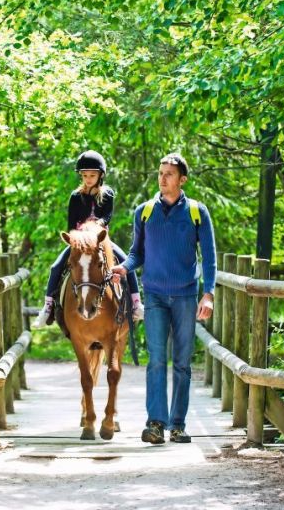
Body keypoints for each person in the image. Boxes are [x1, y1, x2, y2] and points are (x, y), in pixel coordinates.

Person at [112, 152, 216, 444]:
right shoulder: (144, 211)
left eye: (168, 174)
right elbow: (137, 253)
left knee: (182, 362)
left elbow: (209, 258)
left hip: (185, 297)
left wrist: (208, 294)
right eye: (160, 173)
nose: (162, 178)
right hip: (155, 295)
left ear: (182, 179)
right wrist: (124, 267)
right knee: (157, 360)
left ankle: (178, 425)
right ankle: (155, 423)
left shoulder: (197, 212)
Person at [34, 150, 144, 327]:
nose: (88, 178)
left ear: (100, 175)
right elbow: (71, 224)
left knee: (124, 261)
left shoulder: (107, 194)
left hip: (100, 240)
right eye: (85, 175)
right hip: (80, 241)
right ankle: (48, 306)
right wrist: (78, 238)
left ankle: (137, 304)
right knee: (56, 266)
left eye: (92, 175)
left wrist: (97, 225)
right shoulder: (76, 197)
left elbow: (108, 216)